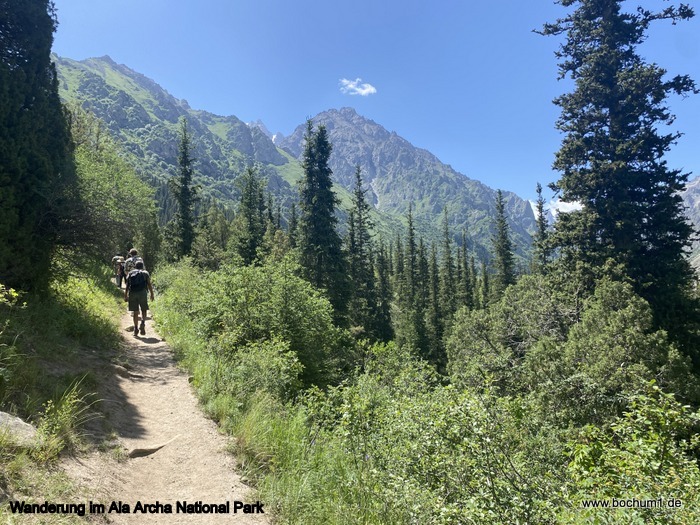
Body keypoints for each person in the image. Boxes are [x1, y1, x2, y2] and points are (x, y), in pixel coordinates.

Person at [124, 260, 155, 336]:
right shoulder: (145, 273)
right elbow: (149, 284)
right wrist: (152, 294)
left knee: (135, 312)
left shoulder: (131, 273)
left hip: (133, 293)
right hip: (142, 293)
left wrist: (125, 295)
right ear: (142, 266)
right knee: (144, 309)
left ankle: (135, 328)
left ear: (135, 266)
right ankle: (143, 322)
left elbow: (127, 285)